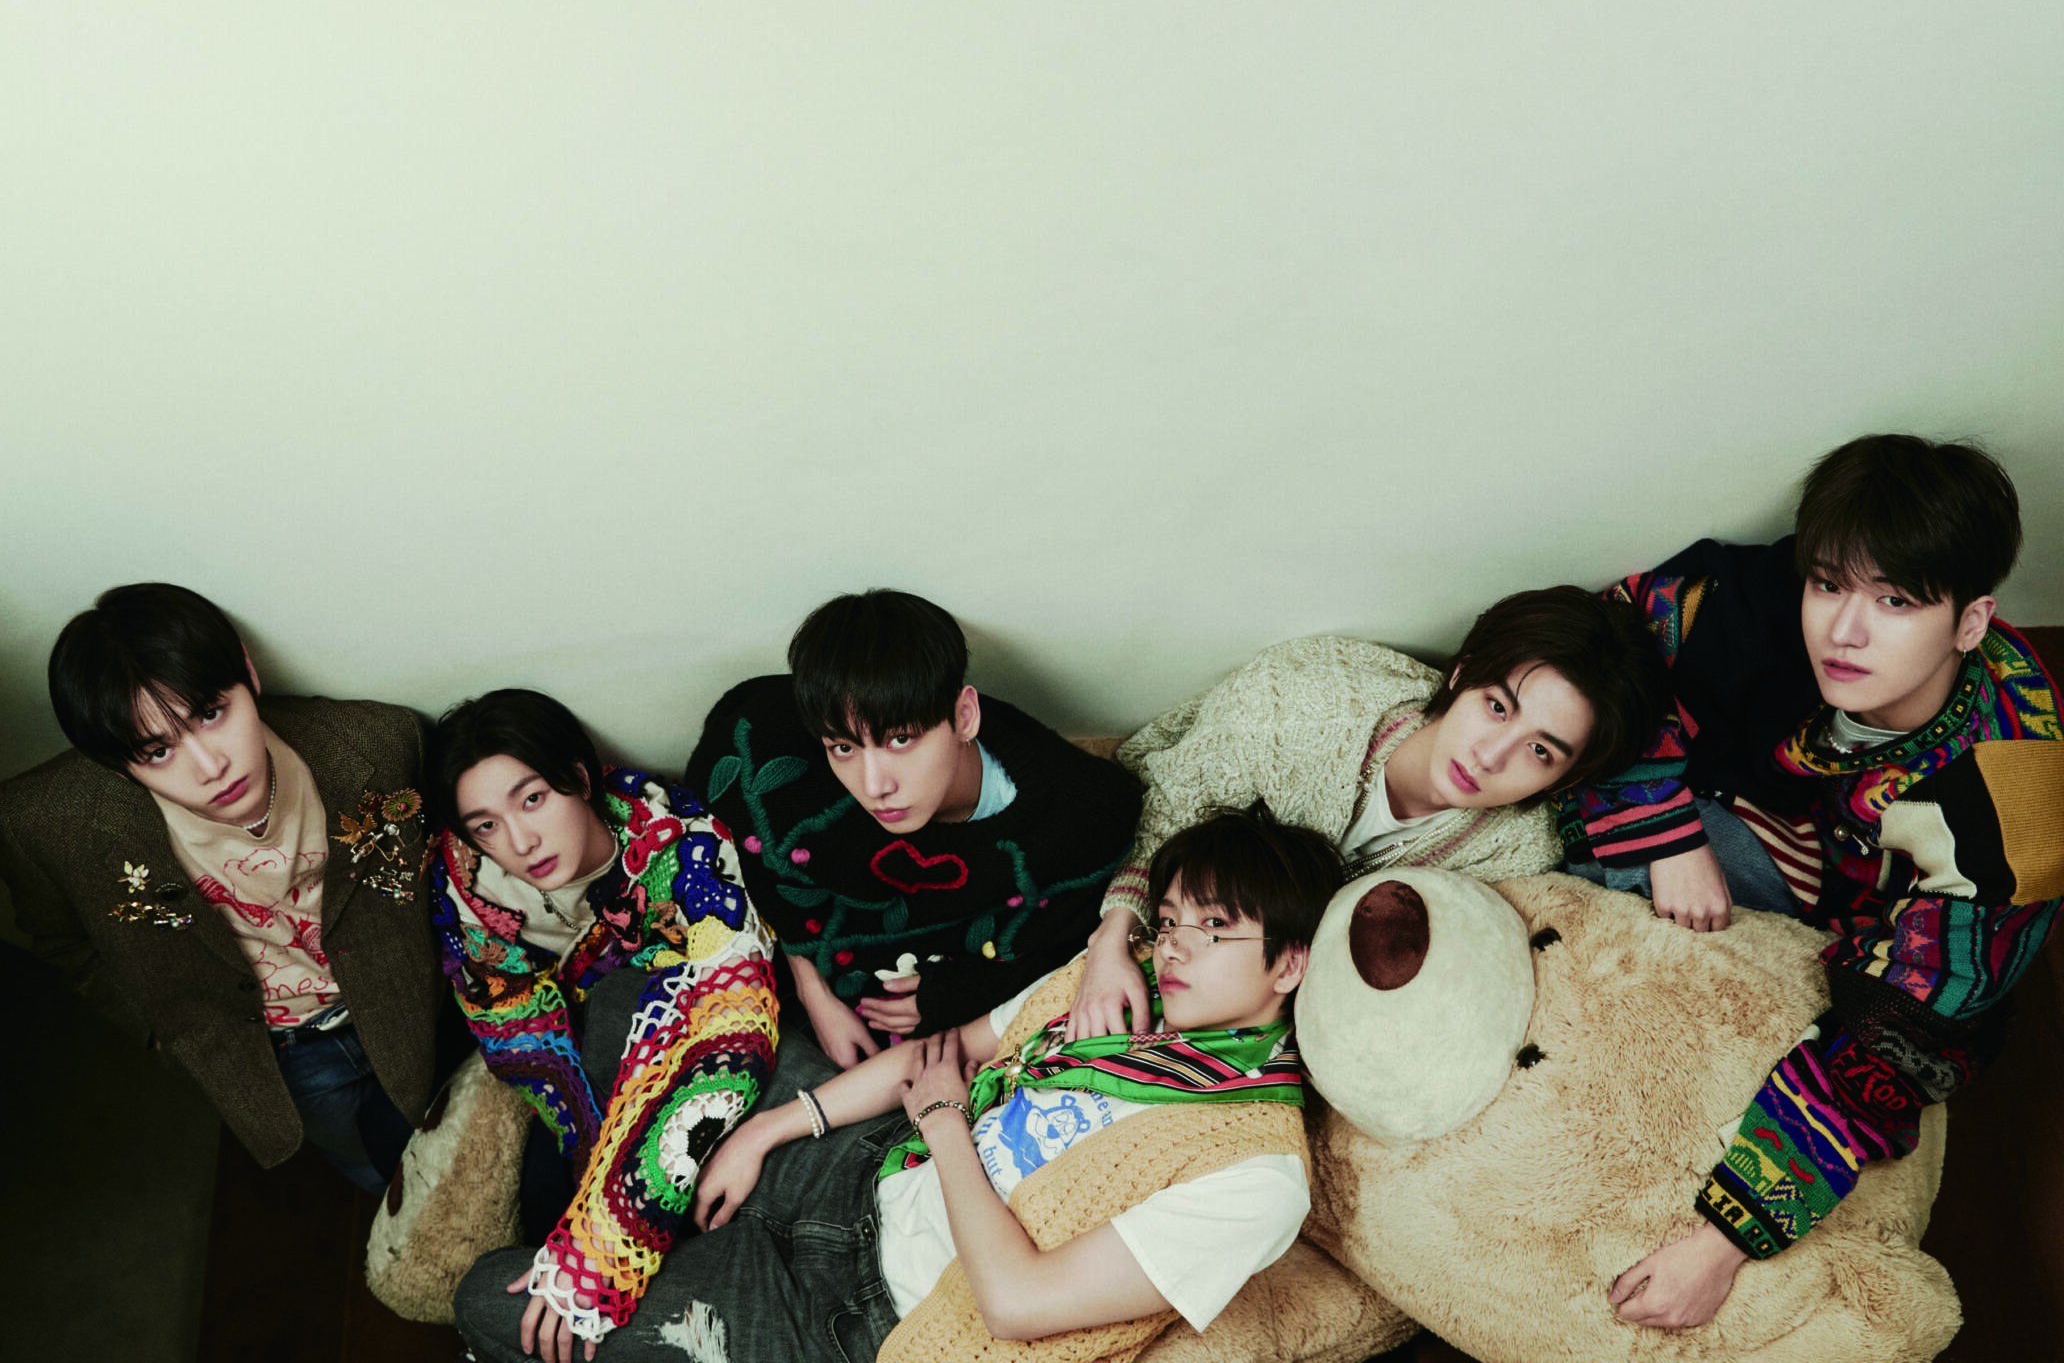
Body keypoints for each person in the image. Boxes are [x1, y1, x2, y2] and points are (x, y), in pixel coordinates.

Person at [452, 802, 1341, 1363]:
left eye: (1212, 930)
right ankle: (657, 1213)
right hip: (864, 1162)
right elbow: (945, 1050)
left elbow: (1019, 1304)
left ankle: (665, 1235)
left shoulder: (1256, 1170)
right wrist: (771, 1130)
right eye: (1172, 919)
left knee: (488, 1303)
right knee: (626, 1004)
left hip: (862, 1319)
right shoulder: (1121, 978)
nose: (1175, 945)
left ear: (1291, 963)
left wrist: (949, 1123)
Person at [1556, 435, 2064, 1328]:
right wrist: (1667, 834)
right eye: (1830, 585)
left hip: (1884, 944)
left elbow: (1908, 1032)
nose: (1845, 630)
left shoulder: (2008, 812)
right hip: (1770, 822)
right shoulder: (1778, 597)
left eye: (1897, 602)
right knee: (1580, 846)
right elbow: (1604, 637)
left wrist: (1724, 1242)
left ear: (1971, 622)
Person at [0, 583, 451, 1191]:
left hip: (408, 1006)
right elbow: (63, 941)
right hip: (279, 1057)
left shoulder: (380, 742)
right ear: (115, 765)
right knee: (381, 1175)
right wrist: (161, 1028)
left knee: (462, 1146)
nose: (211, 766)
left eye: (211, 714)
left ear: (247, 671)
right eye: (157, 751)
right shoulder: (46, 826)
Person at [1068, 586, 1669, 1040]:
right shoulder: (1305, 699)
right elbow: (1168, 800)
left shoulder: (1520, 851)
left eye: (1539, 751)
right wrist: (1110, 941)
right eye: (1496, 707)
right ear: (1462, 673)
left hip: (1266, 980)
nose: (1490, 757)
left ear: (1568, 777)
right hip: (1147, 883)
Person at [425, 690, 779, 1357]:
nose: (520, 842)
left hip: (685, 1047)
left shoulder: (680, 843)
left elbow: (733, 1035)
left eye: (533, 799)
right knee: (532, 1223)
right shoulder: (466, 879)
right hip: (575, 1063)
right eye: (487, 825)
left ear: (579, 778)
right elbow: (512, 1030)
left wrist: (610, 1235)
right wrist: (591, 1155)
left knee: (701, 1219)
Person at [684, 589, 1143, 1067]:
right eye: (844, 748)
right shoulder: (775, 757)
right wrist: (813, 991)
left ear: (964, 716)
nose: (874, 786)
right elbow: (743, 818)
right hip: (789, 997)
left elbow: (1075, 939)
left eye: (901, 740)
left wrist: (962, 993)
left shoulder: (1078, 812)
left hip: (941, 1045)